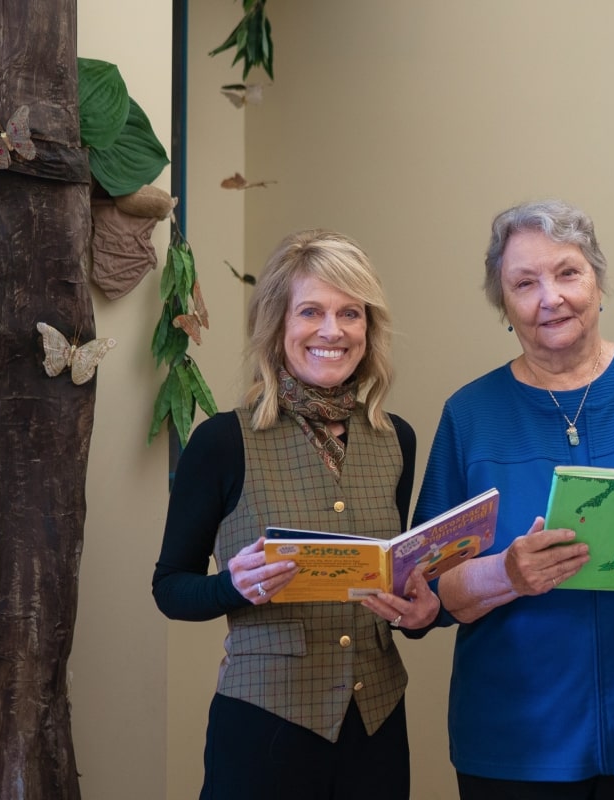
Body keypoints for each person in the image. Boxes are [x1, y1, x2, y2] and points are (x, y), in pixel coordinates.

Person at [413, 199, 614, 799]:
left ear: (598, 281)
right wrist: (506, 574)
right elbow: (426, 583)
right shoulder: (469, 416)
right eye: (523, 283)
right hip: (514, 740)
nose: (549, 297)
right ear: (503, 305)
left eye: (567, 272)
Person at [152, 229, 437, 800]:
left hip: (377, 730)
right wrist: (233, 587)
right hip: (264, 731)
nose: (332, 331)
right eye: (311, 311)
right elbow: (170, 589)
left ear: (367, 328)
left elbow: (395, 577)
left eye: (350, 313)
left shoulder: (396, 438)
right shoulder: (220, 442)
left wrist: (421, 612)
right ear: (277, 323)